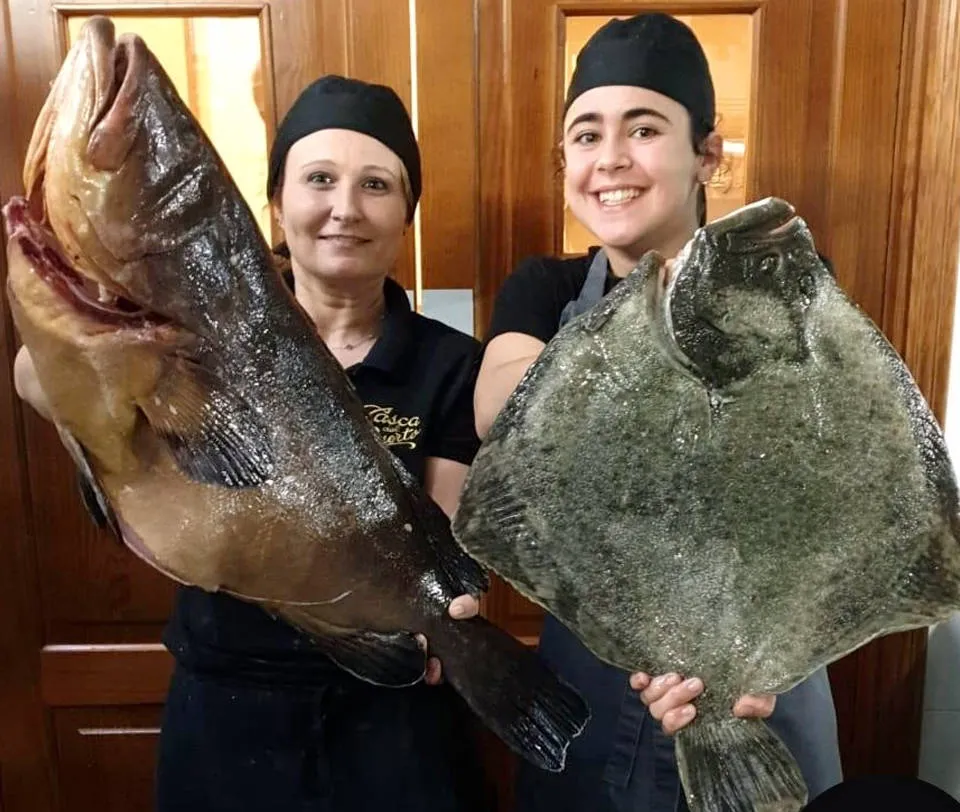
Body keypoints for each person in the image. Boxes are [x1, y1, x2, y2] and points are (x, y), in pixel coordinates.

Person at [15, 75, 492, 811]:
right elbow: (35, 377)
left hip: (389, 712)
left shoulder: (451, 361)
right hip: (223, 711)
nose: (345, 207)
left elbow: (446, 539)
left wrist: (454, 618)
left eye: (376, 185)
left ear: (406, 214)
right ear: (275, 202)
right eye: (319, 179)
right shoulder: (194, 339)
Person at [473, 14, 844, 812]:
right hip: (594, 670)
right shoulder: (542, 289)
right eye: (586, 135)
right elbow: (500, 412)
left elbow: (806, 471)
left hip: (756, 668)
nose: (610, 158)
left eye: (643, 129)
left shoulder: (780, 280)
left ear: (706, 153)